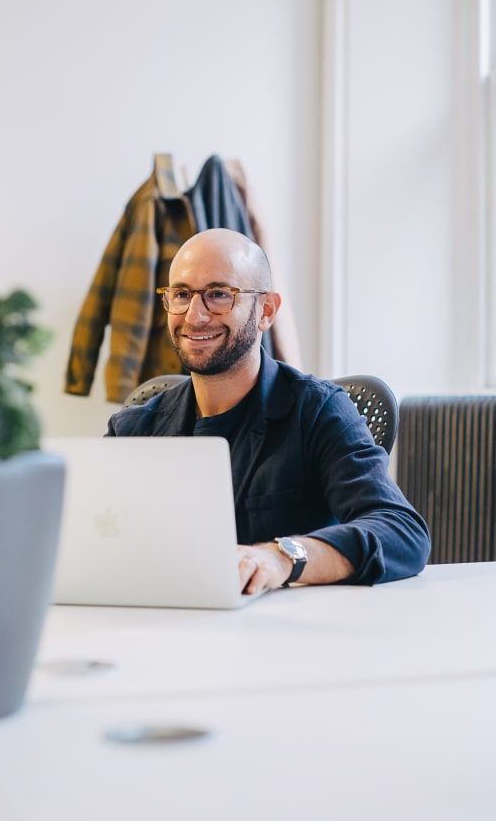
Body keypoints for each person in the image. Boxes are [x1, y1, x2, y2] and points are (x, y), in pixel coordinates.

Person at [105, 228, 430, 593]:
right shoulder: (132, 429)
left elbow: (402, 531)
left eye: (218, 295)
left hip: (288, 639)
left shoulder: (319, 410)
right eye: (181, 294)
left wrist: (281, 557)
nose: (194, 316)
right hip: (160, 629)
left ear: (267, 310)